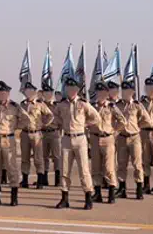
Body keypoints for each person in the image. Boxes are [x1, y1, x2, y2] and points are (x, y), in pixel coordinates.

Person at [52, 77, 101, 210]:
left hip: (80, 139)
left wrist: (85, 124)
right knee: (64, 170)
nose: (71, 91)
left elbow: (96, 118)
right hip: (66, 138)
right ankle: (64, 198)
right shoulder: (61, 104)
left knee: (84, 170)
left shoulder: (83, 103)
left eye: (73, 89)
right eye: (68, 88)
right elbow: (55, 116)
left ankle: (88, 197)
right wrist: (60, 123)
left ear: (77, 90)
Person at [89, 82, 126, 203]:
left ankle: (111, 193)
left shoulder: (111, 107)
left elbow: (122, 121)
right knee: (95, 167)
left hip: (108, 139)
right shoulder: (92, 106)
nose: (100, 95)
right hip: (94, 139)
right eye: (99, 92)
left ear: (107, 94)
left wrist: (115, 132)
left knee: (109, 167)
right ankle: (97, 193)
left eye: (103, 93)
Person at [115, 80, 151, 200]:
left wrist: (137, 126)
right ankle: (122, 188)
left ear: (133, 92)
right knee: (121, 164)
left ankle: (139, 188)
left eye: (128, 91)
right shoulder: (117, 105)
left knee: (137, 164)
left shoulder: (137, 105)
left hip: (134, 137)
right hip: (121, 138)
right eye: (124, 90)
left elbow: (146, 119)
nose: (125, 93)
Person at [18, 82, 53, 189]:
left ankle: (40, 180)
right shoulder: (22, 104)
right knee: (25, 158)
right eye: (27, 91)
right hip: (24, 133)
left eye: (30, 91)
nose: (28, 93)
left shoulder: (40, 104)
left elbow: (50, 115)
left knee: (38, 158)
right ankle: (24, 180)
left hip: (36, 133)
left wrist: (44, 124)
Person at [41, 83, 62, 187]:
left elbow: (61, 119)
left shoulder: (57, 105)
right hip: (43, 133)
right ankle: (44, 178)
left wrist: (61, 132)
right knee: (44, 157)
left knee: (56, 157)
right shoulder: (40, 105)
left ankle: (58, 180)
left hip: (55, 133)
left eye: (49, 93)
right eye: (45, 93)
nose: (47, 95)